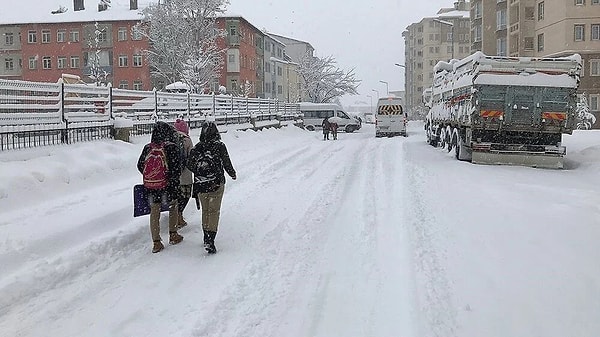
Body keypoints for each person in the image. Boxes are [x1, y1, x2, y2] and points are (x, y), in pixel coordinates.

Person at [187, 121, 236, 254]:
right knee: (214, 211)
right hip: (216, 183)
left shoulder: (197, 147)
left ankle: (205, 236)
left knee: (206, 211)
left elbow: (189, 164)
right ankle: (210, 239)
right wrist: (232, 173)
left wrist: (200, 170)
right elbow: (226, 162)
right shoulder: (219, 146)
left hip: (201, 184)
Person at [137, 121, 184, 253]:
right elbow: (176, 168)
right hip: (168, 186)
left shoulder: (148, 148)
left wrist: (152, 176)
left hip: (151, 187)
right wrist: (169, 178)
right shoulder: (171, 147)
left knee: (154, 211)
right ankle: (173, 234)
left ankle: (156, 242)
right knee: (173, 206)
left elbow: (140, 165)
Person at [173, 118, 194, 229]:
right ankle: (179, 215)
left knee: (175, 196)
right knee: (185, 196)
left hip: (173, 175)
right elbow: (192, 157)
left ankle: (175, 216)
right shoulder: (187, 140)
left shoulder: (170, 138)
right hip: (185, 175)